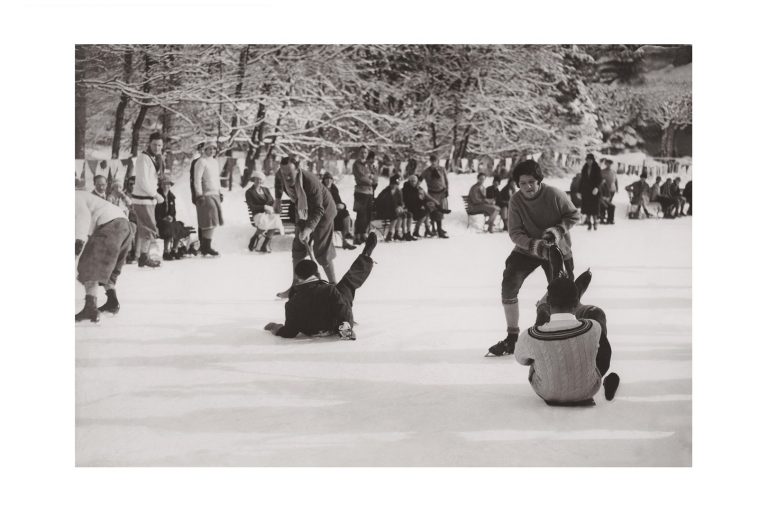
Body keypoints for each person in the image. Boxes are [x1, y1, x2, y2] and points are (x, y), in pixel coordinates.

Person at [487, 159, 580, 357]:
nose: (528, 187)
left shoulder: (554, 194)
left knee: (563, 294)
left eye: (531, 182)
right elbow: (514, 232)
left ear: (539, 180)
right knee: (509, 283)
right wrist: (534, 245)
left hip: (556, 248)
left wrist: (556, 231)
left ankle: (562, 333)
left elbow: (573, 215)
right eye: (522, 183)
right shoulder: (516, 201)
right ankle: (512, 338)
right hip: (528, 249)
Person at [515, 274, 621, 405]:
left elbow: (522, 360)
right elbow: (605, 355)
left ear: (549, 302)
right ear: (576, 303)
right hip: (588, 390)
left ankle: (541, 312)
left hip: (547, 392)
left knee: (535, 348)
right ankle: (569, 308)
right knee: (596, 314)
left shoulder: (529, 335)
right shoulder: (593, 327)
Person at [265, 233, 378, 340]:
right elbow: (342, 310)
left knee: (340, 292)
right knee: (347, 283)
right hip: (334, 327)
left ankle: (364, 257)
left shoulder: (291, 302)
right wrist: (346, 330)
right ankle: (365, 257)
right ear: (316, 274)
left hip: (311, 331)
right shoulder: (330, 290)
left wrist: (275, 327)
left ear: (298, 278)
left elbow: (289, 332)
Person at [274, 157, 338, 298]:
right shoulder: (281, 173)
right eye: (284, 174)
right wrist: (278, 199)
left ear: (298, 169)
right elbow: (278, 182)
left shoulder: (310, 182)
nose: (287, 177)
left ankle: (335, 287)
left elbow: (318, 210)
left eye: (290, 173)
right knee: (298, 247)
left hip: (323, 212)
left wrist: (309, 229)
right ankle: (295, 287)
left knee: (321, 250)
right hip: (302, 209)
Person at [75, 190, 135, 322]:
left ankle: (90, 307)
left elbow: (83, 218)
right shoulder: (83, 197)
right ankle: (112, 302)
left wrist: (78, 244)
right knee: (108, 268)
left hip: (111, 225)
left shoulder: (74, 197)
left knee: (90, 264)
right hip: (124, 226)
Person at [130, 132, 166, 268]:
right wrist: (156, 195)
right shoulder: (143, 158)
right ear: (149, 144)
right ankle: (142, 256)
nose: (157, 148)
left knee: (147, 229)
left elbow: (153, 179)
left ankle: (143, 257)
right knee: (148, 229)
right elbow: (143, 181)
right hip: (143, 199)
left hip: (148, 199)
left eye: (160, 145)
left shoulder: (155, 158)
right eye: (155, 145)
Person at [192, 140, 224, 256]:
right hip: (206, 195)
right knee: (209, 220)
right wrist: (199, 195)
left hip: (215, 194)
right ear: (204, 150)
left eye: (214, 149)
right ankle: (206, 246)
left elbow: (216, 179)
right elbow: (197, 180)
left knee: (212, 222)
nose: (212, 151)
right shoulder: (201, 162)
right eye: (209, 149)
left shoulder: (215, 162)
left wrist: (220, 192)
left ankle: (206, 246)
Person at [246, 171, 283, 253]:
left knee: (276, 219)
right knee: (264, 220)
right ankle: (255, 238)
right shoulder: (249, 192)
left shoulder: (265, 190)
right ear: (253, 180)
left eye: (260, 179)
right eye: (256, 179)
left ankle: (265, 245)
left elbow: (272, 201)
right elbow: (252, 206)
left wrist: (272, 208)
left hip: (269, 213)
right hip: (258, 214)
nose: (258, 181)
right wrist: (263, 207)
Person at [321, 172, 356, 249]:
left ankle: (345, 238)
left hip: (335, 214)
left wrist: (342, 205)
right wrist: (333, 206)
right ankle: (344, 238)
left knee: (345, 213)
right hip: (325, 215)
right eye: (327, 179)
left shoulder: (334, 190)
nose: (329, 181)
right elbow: (320, 204)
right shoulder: (321, 190)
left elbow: (339, 201)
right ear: (323, 180)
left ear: (332, 181)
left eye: (330, 179)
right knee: (342, 216)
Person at [420, 155, 450, 238]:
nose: (433, 162)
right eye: (432, 161)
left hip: (442, 192)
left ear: (437, 161)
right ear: (430, 161)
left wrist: (447, 190)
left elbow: (446, 180)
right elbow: (419, 179)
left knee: (441, 210)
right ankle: (435, 229)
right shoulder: (426, 171)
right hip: (432, 194)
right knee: (434, 211)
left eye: (435, 161)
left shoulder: (442, 169)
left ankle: (439, 228)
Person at [352, 148, 377, 244]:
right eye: (362, 152)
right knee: (360, 214)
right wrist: (370, 179)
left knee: (368, 214)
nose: (363, 154)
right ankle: (357, 235)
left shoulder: (369, 165)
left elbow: (375, 176)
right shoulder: (356, 164)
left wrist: (371, 178)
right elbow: (360, 177)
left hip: (370, 192)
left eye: (365, 152)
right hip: (360, 192)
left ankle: (363, 234)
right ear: (359, 153)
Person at [155, 173, 181, 260]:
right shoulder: (156, 195)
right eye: (165, 184)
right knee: (168, 227)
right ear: (161, 185)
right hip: (159, 221)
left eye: (168, 184)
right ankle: (166, 252)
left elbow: (173, 211)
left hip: (169, 220)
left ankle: (174, 250)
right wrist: (163, 218)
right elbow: (155, 211)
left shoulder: (171, 197)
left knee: (179, 226)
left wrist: (171, 217)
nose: (167, 186)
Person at [374, 175, 407, 241]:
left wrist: (400, 207)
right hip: (384, 211)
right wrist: (396, 208)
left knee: (401, 214)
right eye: (394, 184)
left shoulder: (398, 191)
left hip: (394, 211)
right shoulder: (386, 192)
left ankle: (397, 233)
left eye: (396, 184)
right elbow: (383, 203)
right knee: (395, 215)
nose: (395, 186)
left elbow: (401, 202)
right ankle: (390, 233)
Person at [579, 153, 603, 231]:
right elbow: (582, 180)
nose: (588, 161)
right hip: (586, 191)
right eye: (587, 160)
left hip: (594, 191)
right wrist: (579, 191)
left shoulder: (597, 168)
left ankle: (595, 222)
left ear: (593, 160)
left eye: (590, 160)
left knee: (594, 209)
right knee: (587, 209)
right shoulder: (584, 168)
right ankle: (589, 223)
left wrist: (597, 188)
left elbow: (599, 179)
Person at [599, 159, 617, 224]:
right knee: (604, 204)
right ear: (605, 164)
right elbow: (599, 180)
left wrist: (616, 188)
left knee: (609, 203)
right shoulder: (602, 172)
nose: (608, 165)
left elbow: (615, 180)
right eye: (607, 163)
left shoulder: (613, 172)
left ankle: (609, 218)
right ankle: (602, 217)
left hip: (611, 190)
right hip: (602, 189)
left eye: (610, 164)